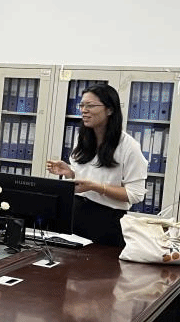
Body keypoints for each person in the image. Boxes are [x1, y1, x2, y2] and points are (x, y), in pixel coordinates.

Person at [46, 83, 148, 246]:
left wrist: (95, 187)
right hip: (75, 215)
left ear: (110, 110)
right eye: (82, 105)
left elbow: (135, 194)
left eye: (90, 106)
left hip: (106, 222)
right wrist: (70, 173)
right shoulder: (83, 139)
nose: (84, 110)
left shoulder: (129, 147)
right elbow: (88, 178)